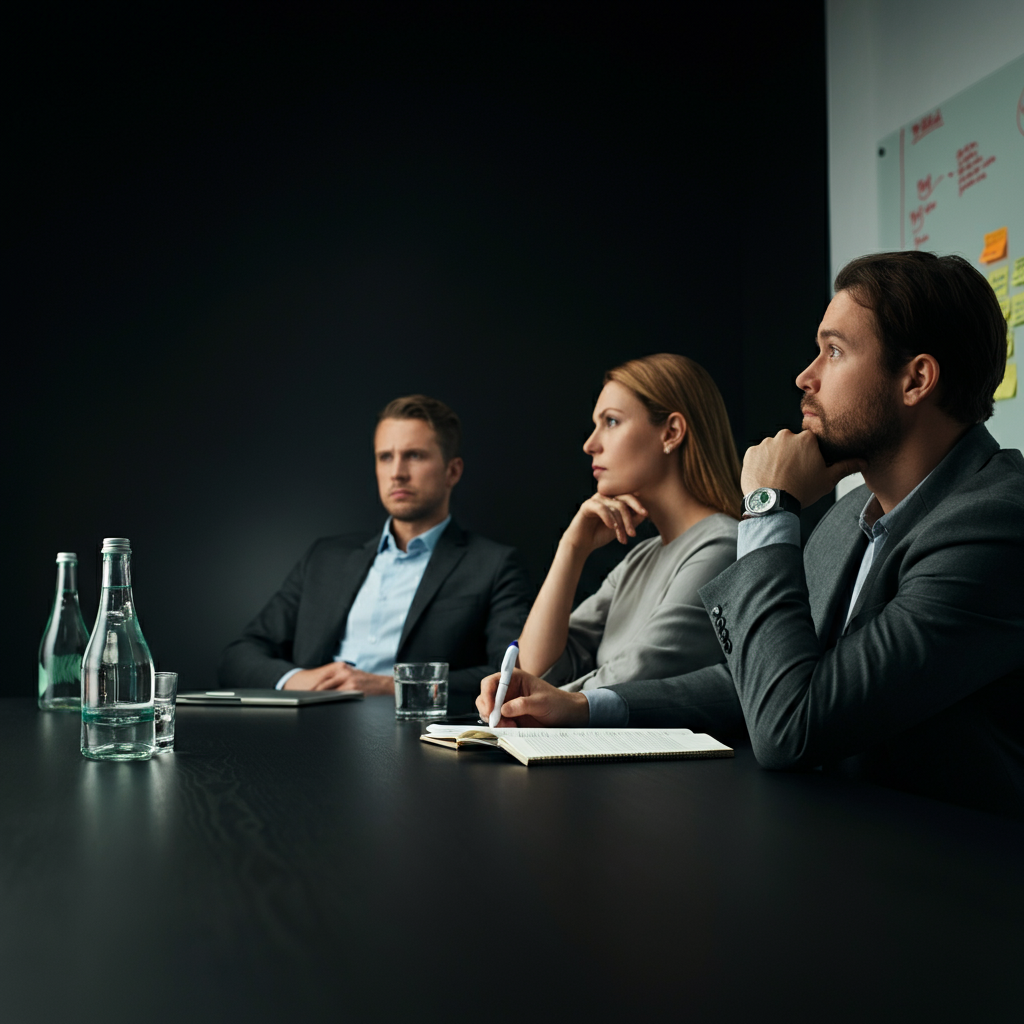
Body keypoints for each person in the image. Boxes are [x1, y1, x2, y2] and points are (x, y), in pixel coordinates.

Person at [478, 252, 1024, 818]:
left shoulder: (993, 525)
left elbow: (792, 724)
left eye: (834, 351)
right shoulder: (853, 513)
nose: (805, 377)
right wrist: (582, 707)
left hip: (960, 882)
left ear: (916, 379)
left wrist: (766, 509)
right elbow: (761, 677)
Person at [220, 394, 532, 699]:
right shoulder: (325, 557)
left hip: (410, 736)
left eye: (415, 455)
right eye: (386, 457)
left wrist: (392, 686)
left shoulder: (493, 565)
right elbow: (239, 656)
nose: (397, 472)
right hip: (309, 729)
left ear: (453, 471)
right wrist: (296, 680)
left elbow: (510, 674)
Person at [516, 353, 741, 694]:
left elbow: (634, 678)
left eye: (611, 422)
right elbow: (538, 667)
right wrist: (571, 549)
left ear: (672, 432)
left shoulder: (721, 547)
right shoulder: (641, 558)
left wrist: (536, 701)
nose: (590, 444)